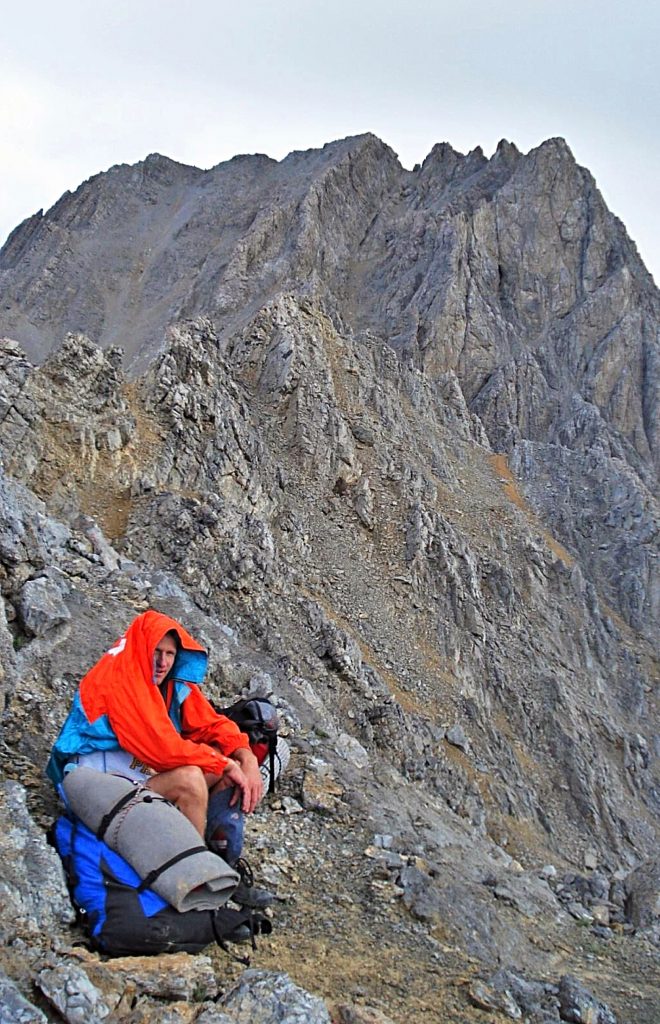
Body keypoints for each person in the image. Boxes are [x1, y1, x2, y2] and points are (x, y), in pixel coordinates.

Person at [47, 609, 271, 904]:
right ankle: (197, 879)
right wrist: (226, 763)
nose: (163, 662)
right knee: (194, 777)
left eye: (169, 653)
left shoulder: (171, 684)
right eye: (157, 651)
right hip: (93, 782)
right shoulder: (121, 678)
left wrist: (247, 758)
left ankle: (221, 864)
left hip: (133, 775)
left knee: (225, 765)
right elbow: (162, 749)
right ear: (143, 648)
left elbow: (213, 724)